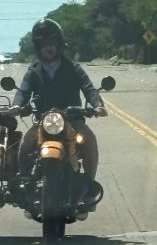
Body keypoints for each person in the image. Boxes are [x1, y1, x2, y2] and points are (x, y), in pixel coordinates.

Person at [10, 19, 107, 188]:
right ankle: (24, 183)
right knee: (25, 145)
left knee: (90, 141)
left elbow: (88, 87)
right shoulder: (34, 71)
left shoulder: (73, 68)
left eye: (52, 42)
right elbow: (23, 91)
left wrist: (97, 105)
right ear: (38, 47)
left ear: (59, 44)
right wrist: (17, 105)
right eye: (43, 43)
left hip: (73, 120)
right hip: (44, 121)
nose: (48, 47)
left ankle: (89, 185)